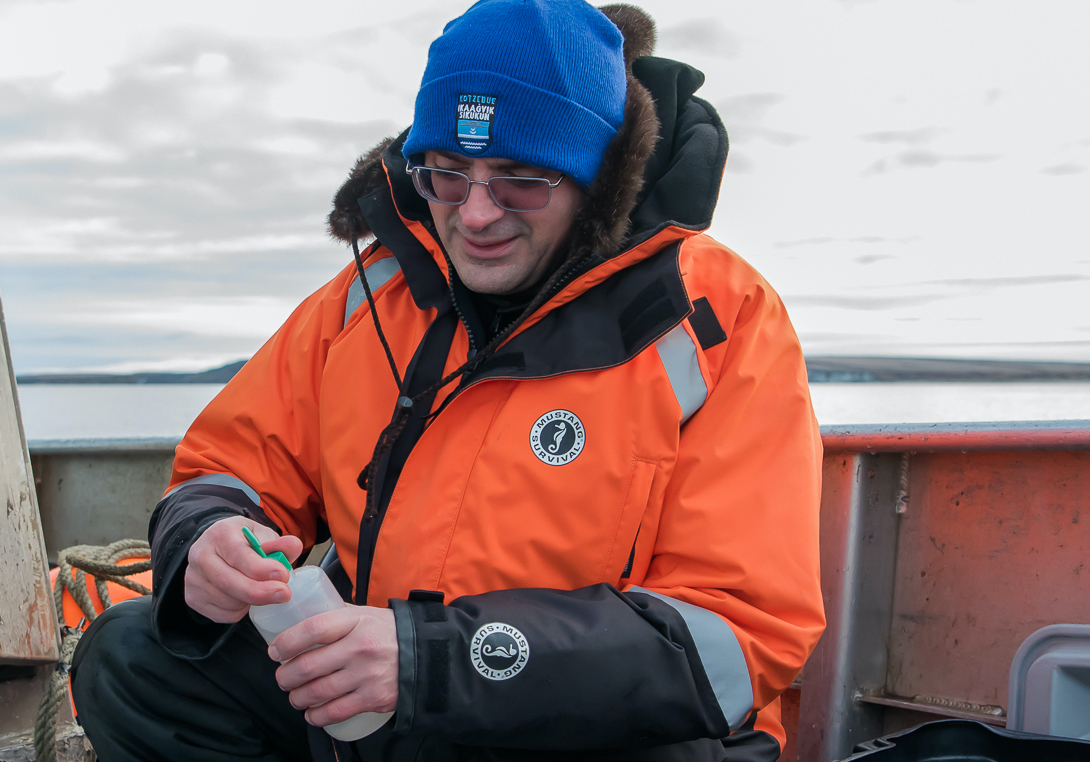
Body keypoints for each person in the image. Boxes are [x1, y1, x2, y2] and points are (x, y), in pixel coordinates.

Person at [70, 2, 825, 760]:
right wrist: (209, 541)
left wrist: (433, 661)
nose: (477, 214)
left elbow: (738, 632)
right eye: (447, 174)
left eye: (522, 180)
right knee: (133, 660)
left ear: (595, 177)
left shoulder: (718, 314)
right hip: (381, 705)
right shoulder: (372, 292)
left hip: (590, 730)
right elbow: (230, 464)